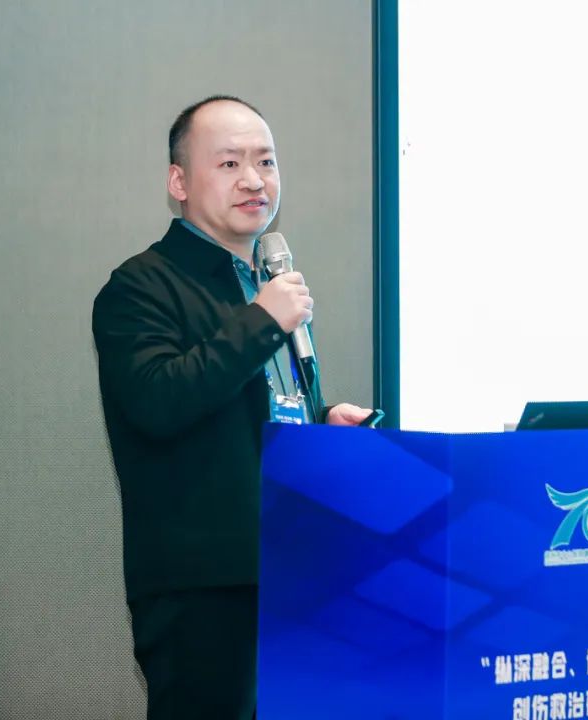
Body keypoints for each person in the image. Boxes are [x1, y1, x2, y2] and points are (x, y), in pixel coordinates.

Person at [92, 95, 371, 719]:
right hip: (204, 584)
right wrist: (263, 320)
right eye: (229, 163)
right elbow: (158, 402)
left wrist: (322, 422)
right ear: (179, 182)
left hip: (294, 566)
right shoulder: (139, 287)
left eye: (266, 161)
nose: (254, 179)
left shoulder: (269, 287)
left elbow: (253, 408)